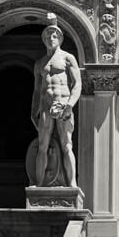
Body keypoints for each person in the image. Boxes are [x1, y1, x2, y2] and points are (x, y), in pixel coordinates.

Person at [31, 13, 82, 188]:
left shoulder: (68, 58)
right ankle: (38, 184)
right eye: (47, 36)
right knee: (42, 145)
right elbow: (37, 90)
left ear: (60, 38)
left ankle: (73, 183)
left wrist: (69, 106)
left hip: (63, 105)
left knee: (67, 145)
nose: (50, 38)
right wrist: (33, 112)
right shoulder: (40, 63)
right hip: (46, 106)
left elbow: (77, 84)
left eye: (54, 35)